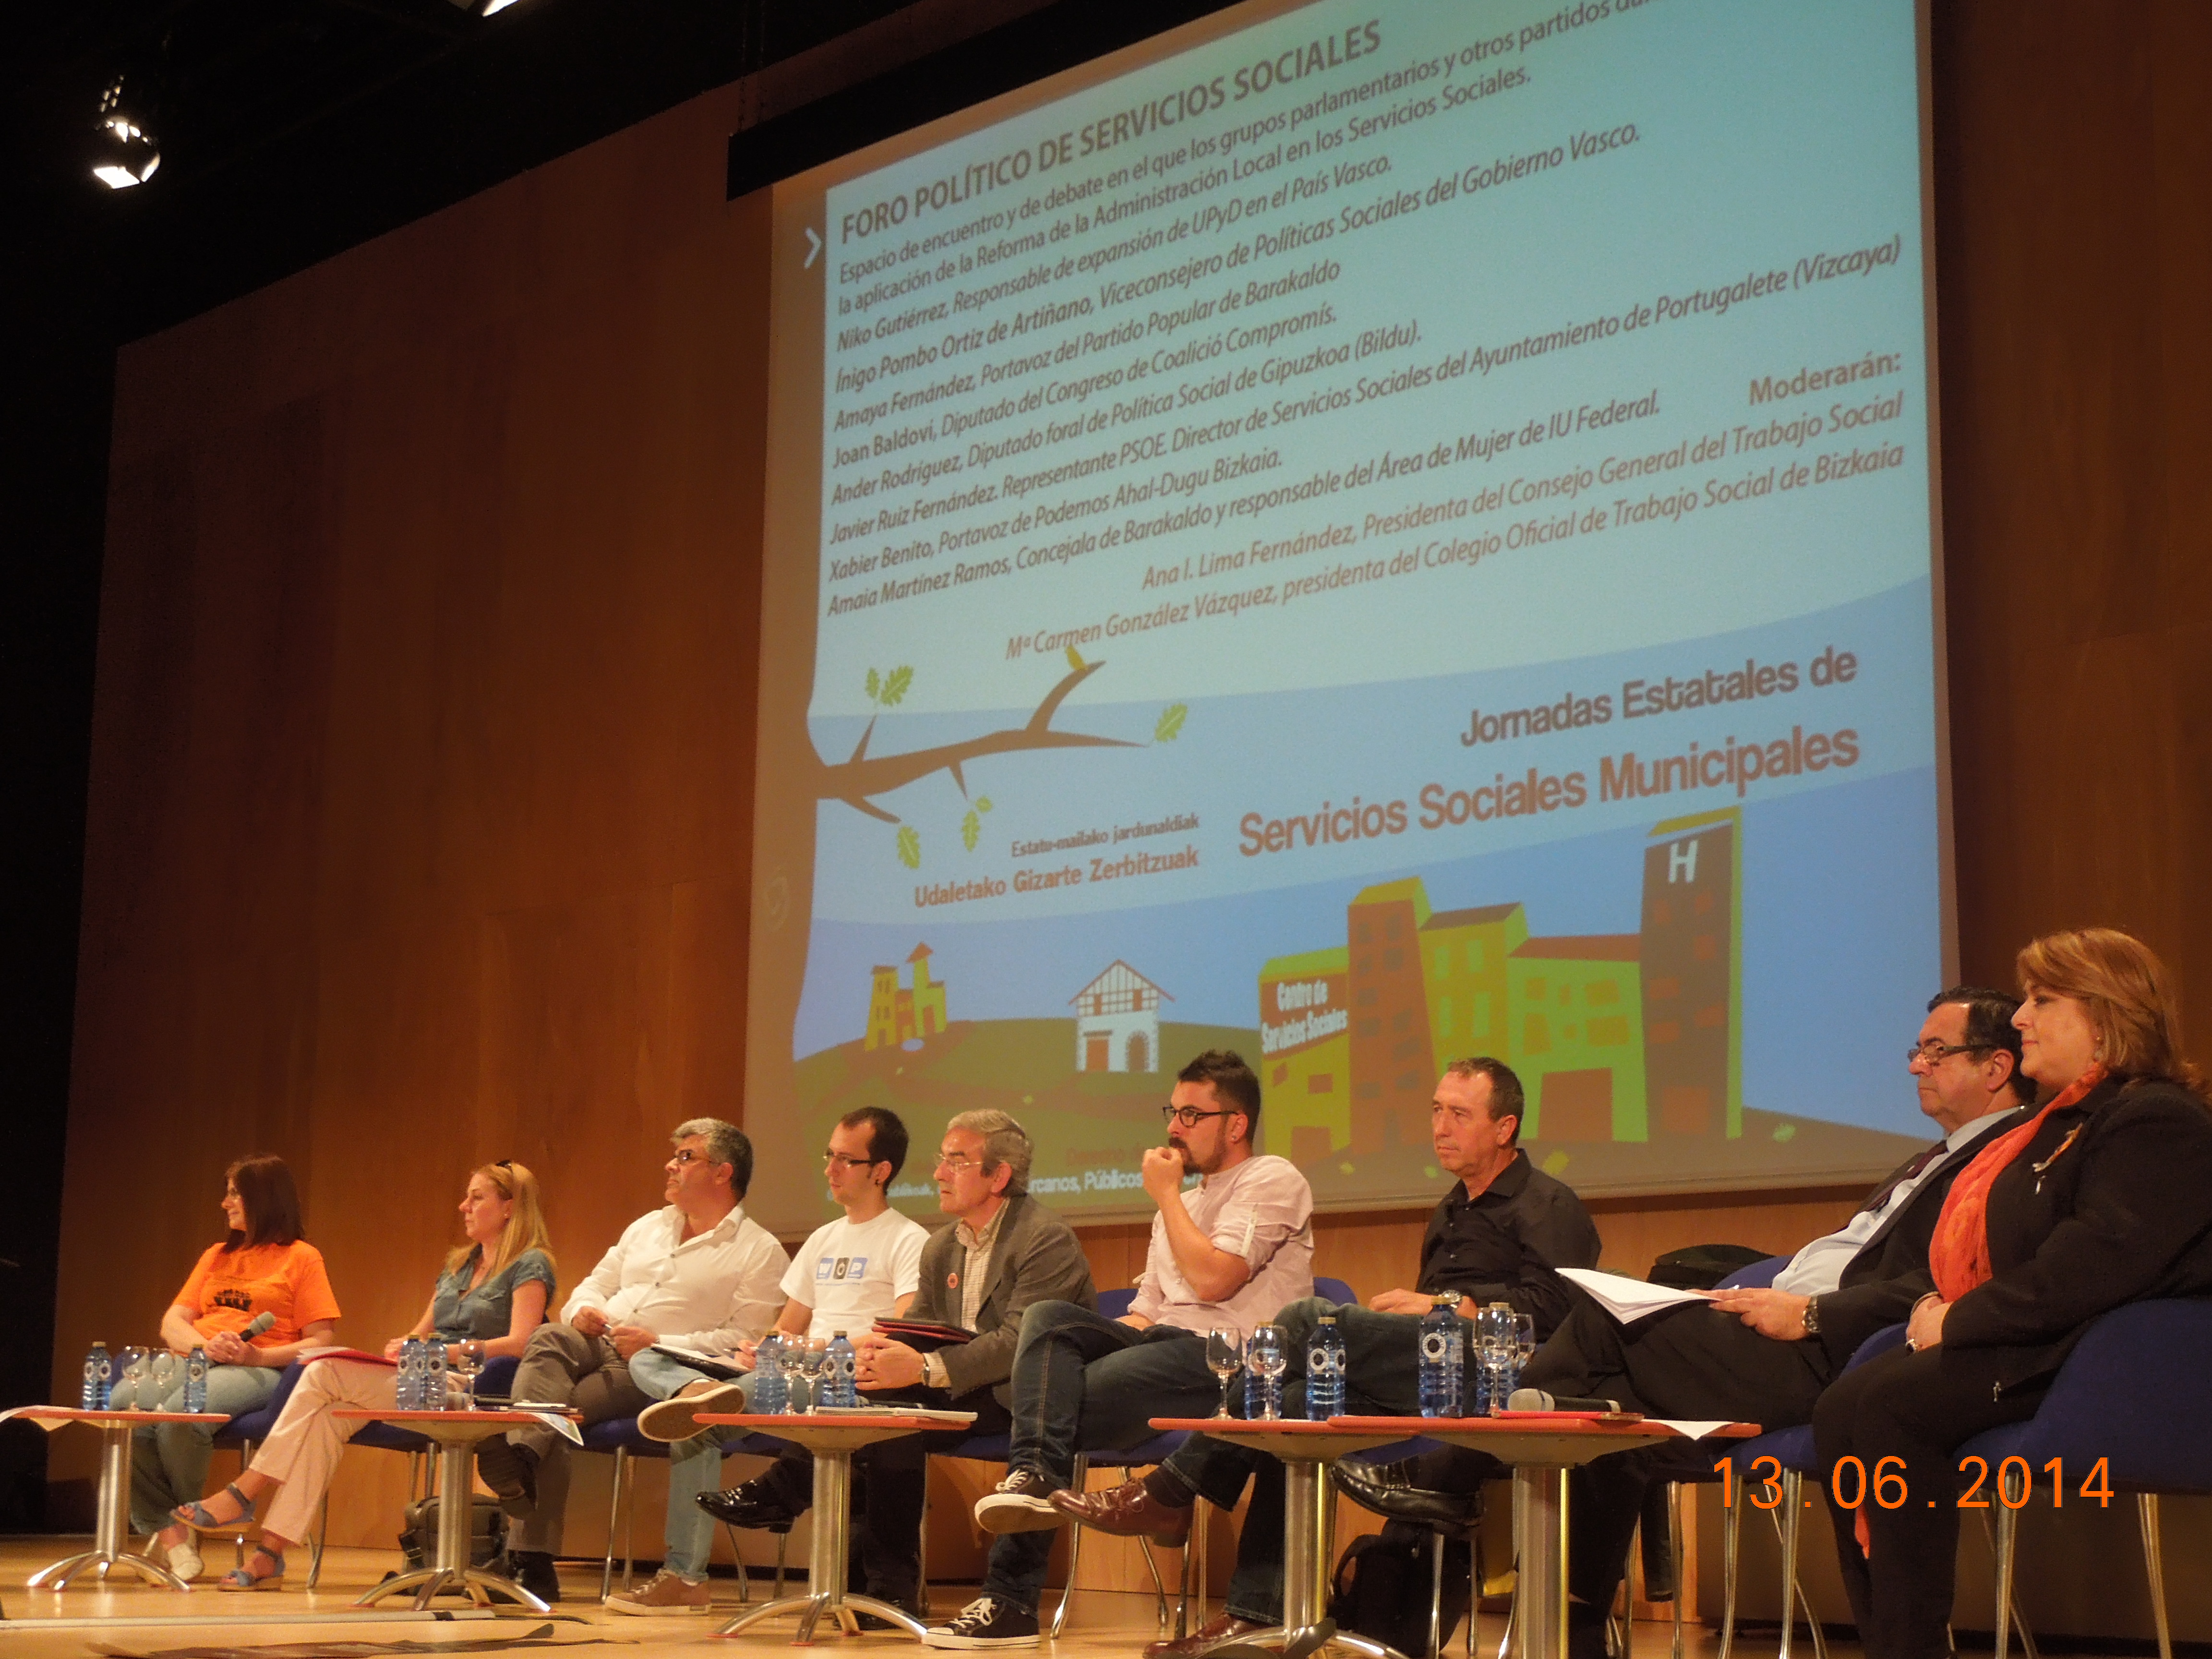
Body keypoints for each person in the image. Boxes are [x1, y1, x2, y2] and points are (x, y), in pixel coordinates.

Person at [1513, 987, 2032, 1658]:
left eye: (1936, 1051)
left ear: (1995, 1067)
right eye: (1918, 1050)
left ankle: (1464, 1468)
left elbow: (1944, 1281)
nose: (1916, 1065)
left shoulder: (2008, 1157)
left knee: (1600, 1319)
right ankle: (1575, 1628)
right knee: (1610, 1416)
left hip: (1833, 1355)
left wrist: (1811, 1312)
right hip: (1780, 1325)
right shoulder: (1936, 1155)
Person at [1056, 1056, 1599, 1658]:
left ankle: (1171, 1490)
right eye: (1436, 1111)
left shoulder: (1549, 1203)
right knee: (1291, 1405)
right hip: (1428, 1373)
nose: (1441, 1127)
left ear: (1505, 1128)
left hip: (1503, 1381)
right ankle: (1256, 1619)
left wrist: (1442, 1304)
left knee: (1303, 1320)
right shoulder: (1452, 1208)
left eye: (1459, 1114)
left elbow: (1558, 1312)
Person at [1815, 932, 2212, 1659]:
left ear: (2105, 1017)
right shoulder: (2058, 1123)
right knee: (1841, 1407)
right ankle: (1887, 1641)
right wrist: (1942, 1309)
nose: (2021, 1018)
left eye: (2042, 1000)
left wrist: (1959, 1321)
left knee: (1892, 1405)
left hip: (2104, 1357)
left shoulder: (2156, 1120)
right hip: (2044, 1336)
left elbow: (2086, 1268)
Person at [924, 1050, 1313, 1649]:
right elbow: (1146, 1311)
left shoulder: (1272, 1178)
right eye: (1172, 1112)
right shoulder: (1180, 1205)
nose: (1174, 1127)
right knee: (1050, 1325)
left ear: (1236, 1124)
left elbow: (1215, 1281)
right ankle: (1037, 1484)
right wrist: (1065, 1355)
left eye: (1191, 1115)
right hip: (1160, 1347)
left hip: (1229, 1359)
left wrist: (1167, 1197)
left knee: (1049, 1409)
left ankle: (1009, 1600)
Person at [698, 1108, 1096, 1629]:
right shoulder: (942, 1246)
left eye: (956, 1161)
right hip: (961, 1387)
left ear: (998, 1176)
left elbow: (1017, 1343)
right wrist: (880, 1357)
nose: (938, 1173)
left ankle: (785, 1494)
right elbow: (917, 1329)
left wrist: (924, 1368)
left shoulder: (1044, 1237)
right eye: (941, 1159)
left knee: (892, 1400)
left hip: (1025, 1397)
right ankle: (887, 1592)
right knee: (876, 1399)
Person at [165, 1161, 556, 1589]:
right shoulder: (459, 1265)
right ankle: (269, 1556)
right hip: (418, 1376)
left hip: (465, 1387)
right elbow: (420, 1332)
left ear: (509, 1207)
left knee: (321, 1369)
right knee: (325, 1419)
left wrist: (443, 1352)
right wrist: (403, 1344)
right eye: (467, 1197)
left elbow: (521, 1342)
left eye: (477, 1198)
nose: (464, 1206)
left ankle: (244, 1491)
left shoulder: (530, 1263)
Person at [620, 1107, 927, 1615]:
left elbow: (898, 1332)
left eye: (845, 1160)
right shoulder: (824, 1238)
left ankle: (712, 1415)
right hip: (788, 1372)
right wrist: (763, 1349)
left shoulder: (907, 1238)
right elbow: (787, 1327)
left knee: (704, 1417)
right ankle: (695, 1400)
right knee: (651, 1362)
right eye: (829, 1156)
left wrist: (817, 1349)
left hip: (845, 1378)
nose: (830, 1169)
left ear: (881, 1171)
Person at [474, 1119, 787, 1607]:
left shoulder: (759, 1250)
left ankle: (530, 1555)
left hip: (656, 1366)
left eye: (686, 1157)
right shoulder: (648, 1226)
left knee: (553, 1414)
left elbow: (744, 1341)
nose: (671, 1165)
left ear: (723, 1173)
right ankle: (525, 1462)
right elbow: (594, 1285)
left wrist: (658, 1341)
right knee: (550, 1336)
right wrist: (584, 1311)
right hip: (594, 1341)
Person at [111, 1155, 340, 1584]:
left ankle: (191, 1520)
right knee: (126, 1404)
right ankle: (173, 1534)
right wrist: (205, 1346)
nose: (225, 1203)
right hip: (199, 1357)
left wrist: (255, 1357)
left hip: (260, 1367)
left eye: (235, 1193)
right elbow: (172, 1321)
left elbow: (322, 1339)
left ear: (263, 1198)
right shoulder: (216, 1255)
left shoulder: (302, 1258)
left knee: (183, 1412)